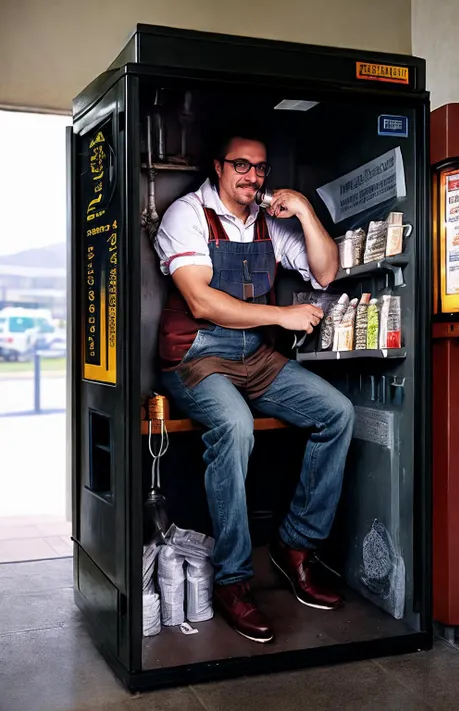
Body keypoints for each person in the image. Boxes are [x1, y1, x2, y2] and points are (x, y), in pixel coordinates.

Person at [154, 128, 355, 644]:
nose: (253, 176)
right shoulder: (186, 215)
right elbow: (201, 302)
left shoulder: (268, 221)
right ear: (218, 168)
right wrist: (282, 315)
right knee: (237, 427)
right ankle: (234, 580)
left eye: (261, 167)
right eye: (241, 165)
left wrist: (307, 212)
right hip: (195, 358)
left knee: (337, 412)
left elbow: (325, 273)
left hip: (254, 357)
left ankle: (296, 547)